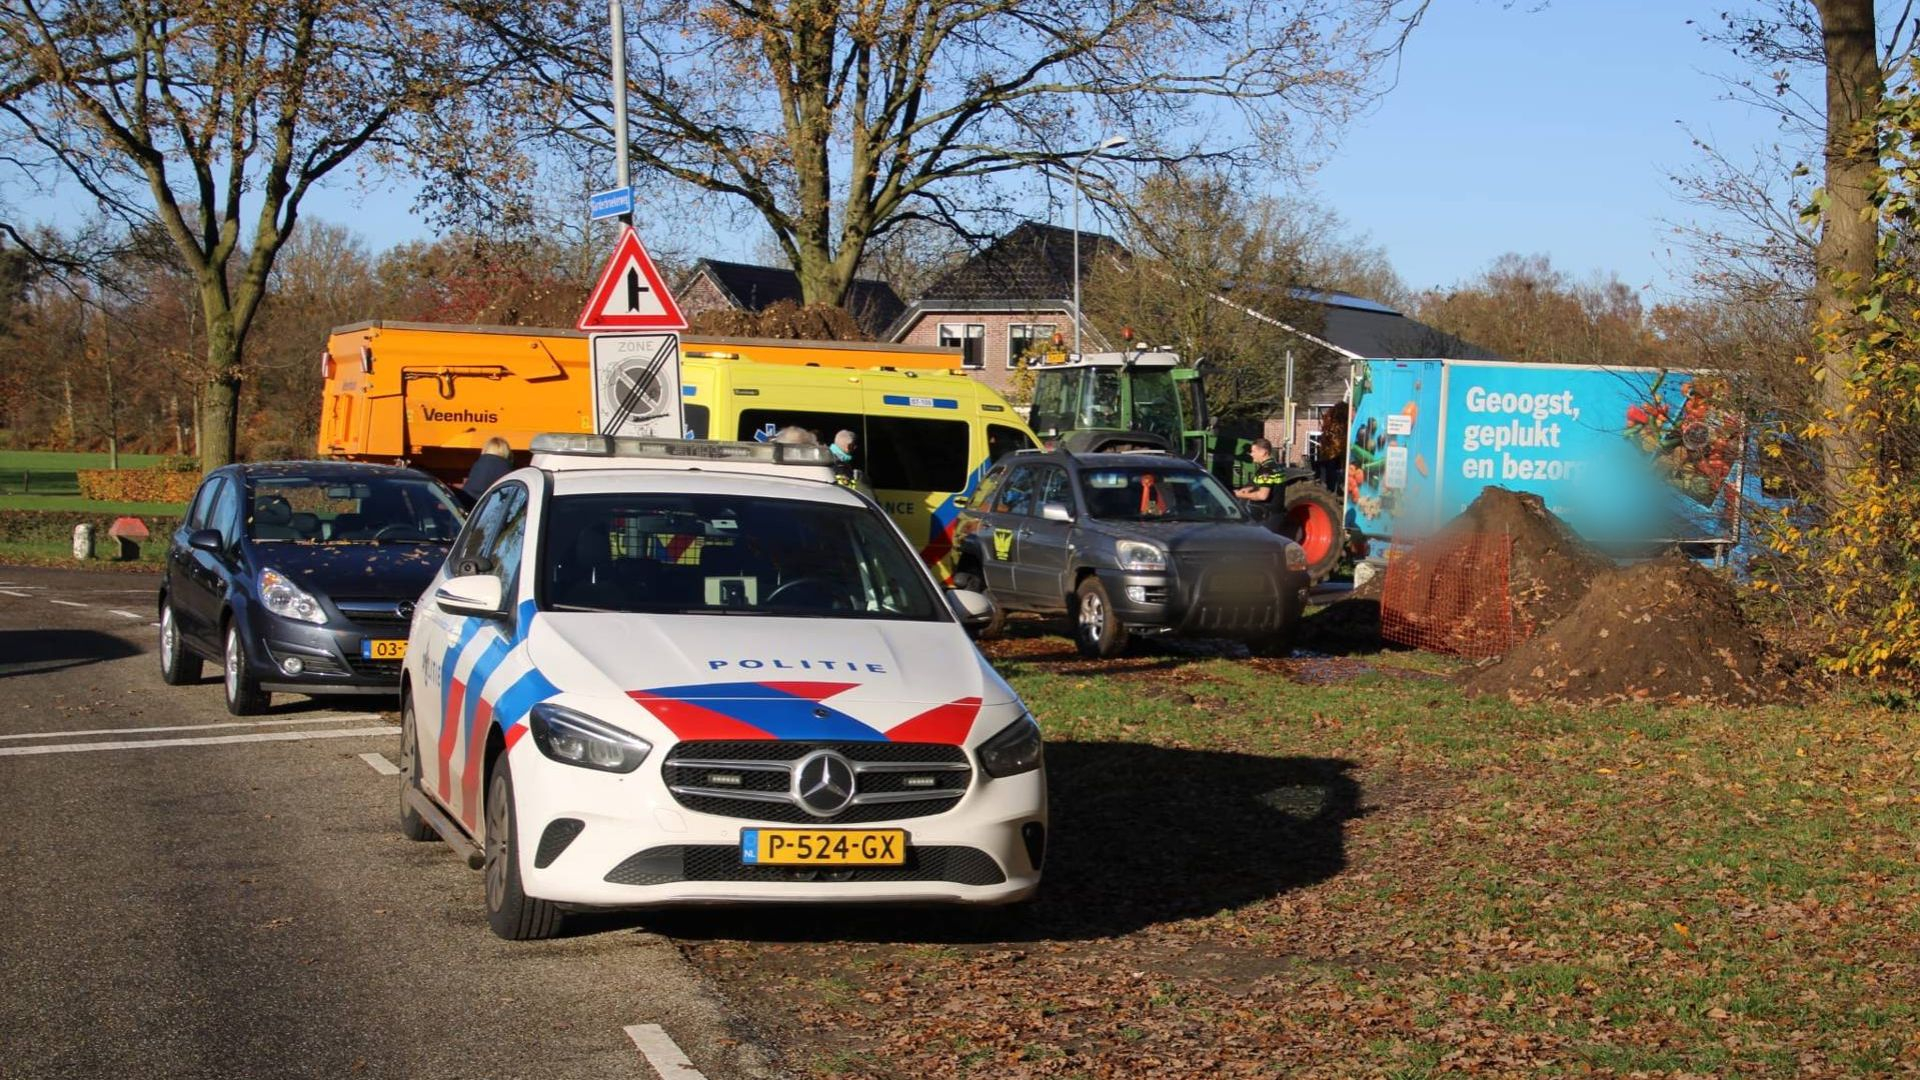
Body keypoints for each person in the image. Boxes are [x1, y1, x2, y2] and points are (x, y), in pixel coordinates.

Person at [1232, 438, 1286, 524]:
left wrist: (1241, 494)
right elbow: (1271, 484)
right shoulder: (1276, 466)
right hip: (1277, 512)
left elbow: (1262, 496)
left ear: (1263, 452)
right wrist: (1250, 488)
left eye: (1253, 451)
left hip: (1267, 515)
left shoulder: (1266, 469)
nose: (1251, 454)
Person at [1315, 401, 1349, 493]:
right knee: (1332, 476)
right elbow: (1339, 444)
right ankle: (1334, 490)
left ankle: (1331, 489)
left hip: (1327, 457)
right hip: (1333, 457)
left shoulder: (1329, 421)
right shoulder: (1339, 426)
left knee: (1329, 477)